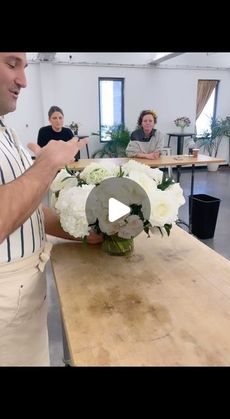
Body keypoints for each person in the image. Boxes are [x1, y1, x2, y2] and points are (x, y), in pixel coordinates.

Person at [0, 52, 102, 366]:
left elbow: (25, 211)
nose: (23, 80)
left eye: (25, 67)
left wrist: (86, 231)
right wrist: (46, 166)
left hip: (23, 300)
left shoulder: (7, 132)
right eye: (11, 63)